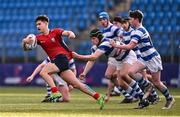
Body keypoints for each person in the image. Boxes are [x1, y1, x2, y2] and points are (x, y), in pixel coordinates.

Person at [22, 15, 105, 109]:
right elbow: (27, 47)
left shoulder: (55, 32)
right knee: (76, 84)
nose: (37, 26)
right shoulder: (38, 38)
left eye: (39, 24)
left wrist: (71, 34)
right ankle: (98, 96)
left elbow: (67, 32)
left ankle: (55, 92)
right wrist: (25, 41)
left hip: (62, 57)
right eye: (36, 24)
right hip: (59, 61)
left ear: (46, 23)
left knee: (44, 72)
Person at [110, 10, 175, 109]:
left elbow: (130, 46)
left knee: (157, 82)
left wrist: (116, 46)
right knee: (131, 72)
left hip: (152, 58)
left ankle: (169, 98)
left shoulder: (139, 31)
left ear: (136, 19)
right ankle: (148, 86)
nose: (130, 21)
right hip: (144, 58)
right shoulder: (136, 31)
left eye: (131, 19)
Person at [72, 28, 150, 109]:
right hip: (119, 59)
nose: (92, 40)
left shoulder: (106, 43)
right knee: (121, 83)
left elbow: (93, 57)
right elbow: (91, 60)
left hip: (128, 55)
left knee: (124, 74)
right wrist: (84, 72)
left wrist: (78, 56)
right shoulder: (95, 47)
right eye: (91, 39)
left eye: (94, 38)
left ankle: (146, 87)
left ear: (99, 37)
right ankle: (141, 97)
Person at [96, 12, 136, 103]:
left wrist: (121, 45)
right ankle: (129, 95)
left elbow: (123, 34)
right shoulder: (103, 31)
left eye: (103, 19)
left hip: (120, 54)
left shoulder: (113, 28)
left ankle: (138, 93)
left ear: (107, 19)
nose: (102, 21)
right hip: (114, 56)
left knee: (124, 75)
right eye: (100, 20)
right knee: (110, 75)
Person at [120, 16, 160, 104]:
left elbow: (131, 46)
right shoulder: (123, 33)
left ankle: (154, 96)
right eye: (122, 23)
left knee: (144, 78)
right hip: (134, 58)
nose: (123, 25)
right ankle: (151, 96)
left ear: (129, 23)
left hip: (139, 57)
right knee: (141, 80)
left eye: (125, 23)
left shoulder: (133, 32)